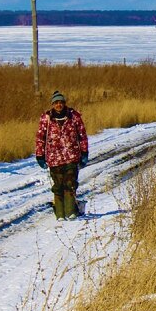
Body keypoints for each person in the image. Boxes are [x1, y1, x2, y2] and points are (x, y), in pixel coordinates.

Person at [35, 90, 89, 220]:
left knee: (70, 184)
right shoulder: (46, 118)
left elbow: (82, 136)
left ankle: (71, 213)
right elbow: (40, 138)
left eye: (61, 102)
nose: (59, 105)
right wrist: (40, 156)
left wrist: (84, 153)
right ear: (53, 104)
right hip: (54, 159)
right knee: (58, 186)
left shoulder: (74, 116)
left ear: (64, 103)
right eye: (56, 102)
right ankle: (59, 214)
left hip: (71, 156)